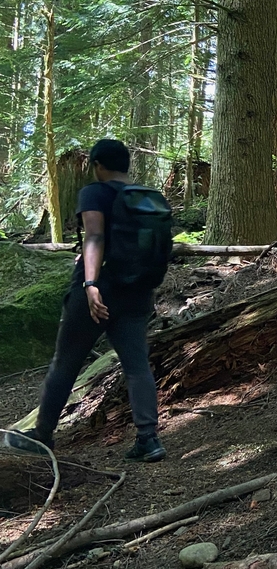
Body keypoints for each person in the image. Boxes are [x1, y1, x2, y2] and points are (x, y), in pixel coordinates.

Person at [5, 139, 166, 463]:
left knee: (65, 362)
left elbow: (95, 236)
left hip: (99, 290)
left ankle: (42, 435)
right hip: (137, 293)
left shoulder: (95, 192)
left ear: (97, 165)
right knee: (136, 365)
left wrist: (91, 284)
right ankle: (148, 439)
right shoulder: (149, 198)